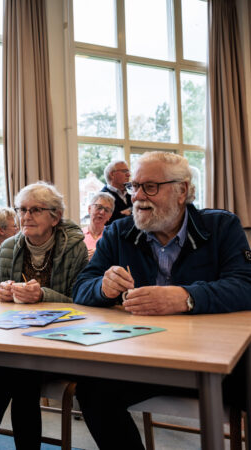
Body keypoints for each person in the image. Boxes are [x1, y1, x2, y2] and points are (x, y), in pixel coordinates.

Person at [72, 151, 251, 450]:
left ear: (182, 191)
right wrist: (103, 288)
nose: (137, 197)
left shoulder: (221, 227)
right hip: (148, 359)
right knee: (93, 391)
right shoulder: (120, 232)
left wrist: (186, 297)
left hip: (216, 358)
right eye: (133, 187)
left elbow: (245, 284)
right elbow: (81, 287)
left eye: (150, 187)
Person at [0, 181, 88, 450]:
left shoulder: (74, 247)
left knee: (15, 370)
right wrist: (1, 294)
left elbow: (83, 305)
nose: (26, 216)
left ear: (55, 216)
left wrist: (43, 295)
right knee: (21, 371)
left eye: (35, 210)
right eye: (22, 209)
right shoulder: (9, 247)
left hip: (61, 343)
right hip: (18, 343)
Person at [82, 192, 115, 259]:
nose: (102, 212)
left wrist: (99, 253)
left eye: (107, 210)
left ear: (110, 216)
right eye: (99, 207)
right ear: (89, 209)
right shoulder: (78, 235)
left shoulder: (112, 237)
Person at [101, 159, 132, 225]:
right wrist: (131, 211)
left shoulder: (132, 192)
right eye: (124, 171)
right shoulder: (102, 197)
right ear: (112, 174)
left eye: (128, 171)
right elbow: (107, 222)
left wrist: (122, 214)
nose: (129, 175)